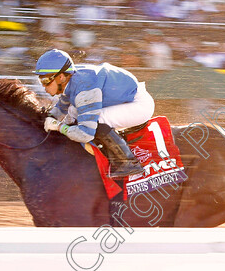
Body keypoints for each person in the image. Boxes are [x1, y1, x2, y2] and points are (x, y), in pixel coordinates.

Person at [37, 49, 154, 178]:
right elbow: (63, 104)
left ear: (61, 77)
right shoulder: (70, 80)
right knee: (72, 111)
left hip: (138, 105)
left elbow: (85, 134)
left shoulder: (84, 89)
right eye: (40, 81)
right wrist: (50, 117)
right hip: (125, 98)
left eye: (46, 81)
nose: (44, 86)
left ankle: (128, 162)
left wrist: (59, 127)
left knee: (97, 120)